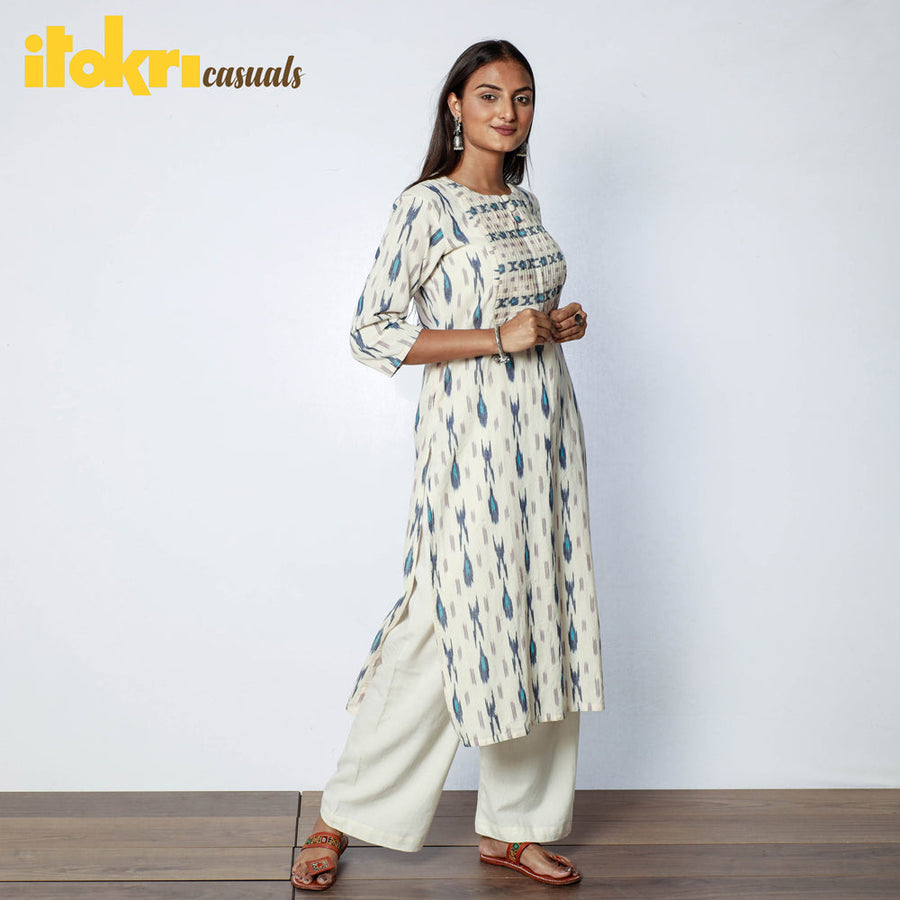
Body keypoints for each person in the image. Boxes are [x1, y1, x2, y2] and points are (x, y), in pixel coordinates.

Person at [291, 38, 604, 891]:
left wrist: (553, 324)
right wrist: (497, 336)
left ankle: (516, 828)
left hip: (547, 433)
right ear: (456, 106)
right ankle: (342, 815)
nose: (509, 111)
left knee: (542, 613)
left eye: (524, 97)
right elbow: (373, 332)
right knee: (442, 620)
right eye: (490, 94)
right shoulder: (426, 205)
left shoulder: (525, 204)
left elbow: (520, 318)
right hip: (472, 439)